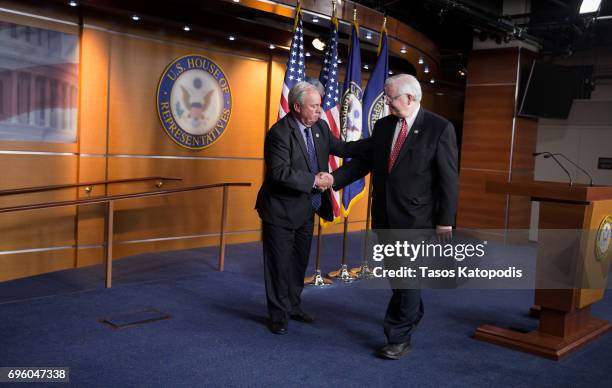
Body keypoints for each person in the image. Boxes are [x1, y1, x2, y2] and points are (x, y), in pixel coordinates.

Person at [326, 74, 459, 359]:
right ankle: (412, 312)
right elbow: (364, 161)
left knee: (406, 276)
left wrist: (445, 220)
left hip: (416, 219)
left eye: (391, 97)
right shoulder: (384, 125)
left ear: (410, 98)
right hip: (385, 215)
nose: (386, 102)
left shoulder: (439, 128)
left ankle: (398, 337)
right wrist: (333, 180)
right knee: (399, 276)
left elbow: (449, 179)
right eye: (386, 97)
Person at [255, 81, 364, 335]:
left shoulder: (320, 127)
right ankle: (278, 314)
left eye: (320, 105)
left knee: (298, 262)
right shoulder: (279, 133)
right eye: (314, 106)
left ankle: (293, 305)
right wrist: (315, 180)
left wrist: (377, 143)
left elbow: (344, 148)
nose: (319, 110)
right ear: (296, 106)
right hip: (280, 210)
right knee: (278, 265)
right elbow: (280, 173)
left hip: (306, 208)